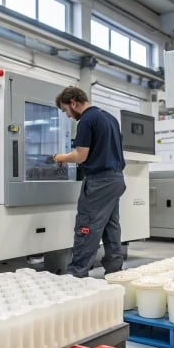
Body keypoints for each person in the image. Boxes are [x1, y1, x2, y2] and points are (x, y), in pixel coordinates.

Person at [53, 86, 126, 277]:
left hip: (99, 182)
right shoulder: (109, 118)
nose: (68, 115)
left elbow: (80, 155)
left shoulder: (86, 120)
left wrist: (59, 157)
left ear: (73, 103)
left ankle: (77, 273)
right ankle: (115, 272)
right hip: (116, 179)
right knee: (111, 226)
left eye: (65, 110)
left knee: (87, 225)